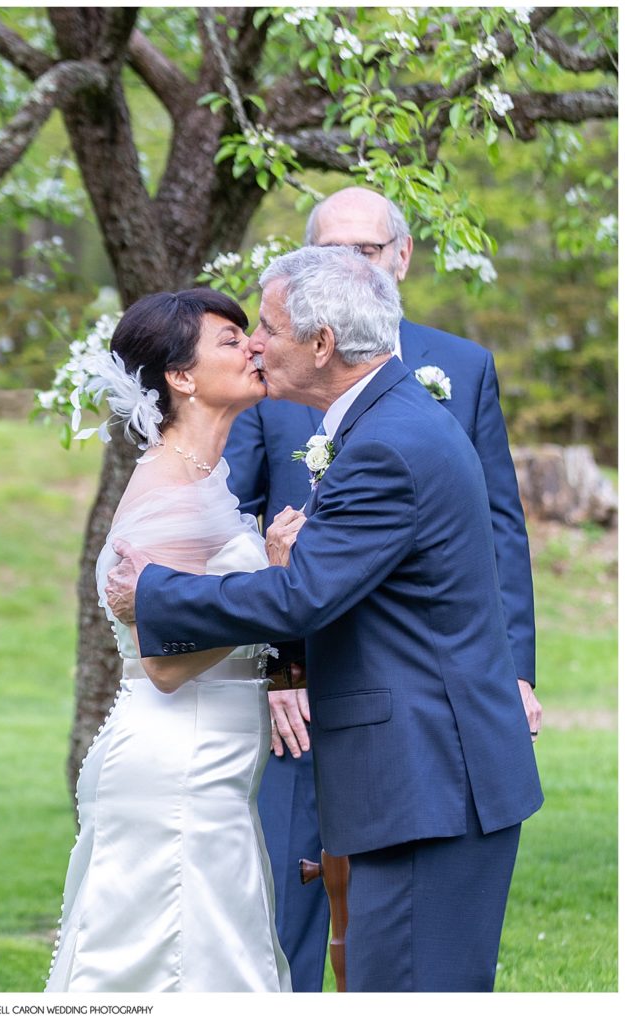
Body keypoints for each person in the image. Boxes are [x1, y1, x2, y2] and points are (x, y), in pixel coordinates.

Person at [107, 247, 544, 992]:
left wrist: (154, 595)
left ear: (320, 344)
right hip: (426, 776)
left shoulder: (385, 446)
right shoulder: (393, 419)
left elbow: (299, 596)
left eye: (267, 328)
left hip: (428, 784)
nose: (254, 344)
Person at [224, 185, 542, 990]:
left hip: (417, 722)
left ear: (398, 257)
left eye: (363, 250)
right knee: (293, 914)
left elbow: (491, 533)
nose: (349, 263)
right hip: (305, 693)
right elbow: (232, 520)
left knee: (397, 962)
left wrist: (513, 670)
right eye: (330, 250)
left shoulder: (448, 374)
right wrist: (277, 672)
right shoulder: (270, 386)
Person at [45, 289, 291, 992]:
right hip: (176, 764)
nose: (251, 347)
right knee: (179, 969)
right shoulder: (168, 494)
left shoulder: (206, 481)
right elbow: (164, 663)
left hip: (210, 766)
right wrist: (271, 584)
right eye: (228, 339)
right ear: (180, 378)